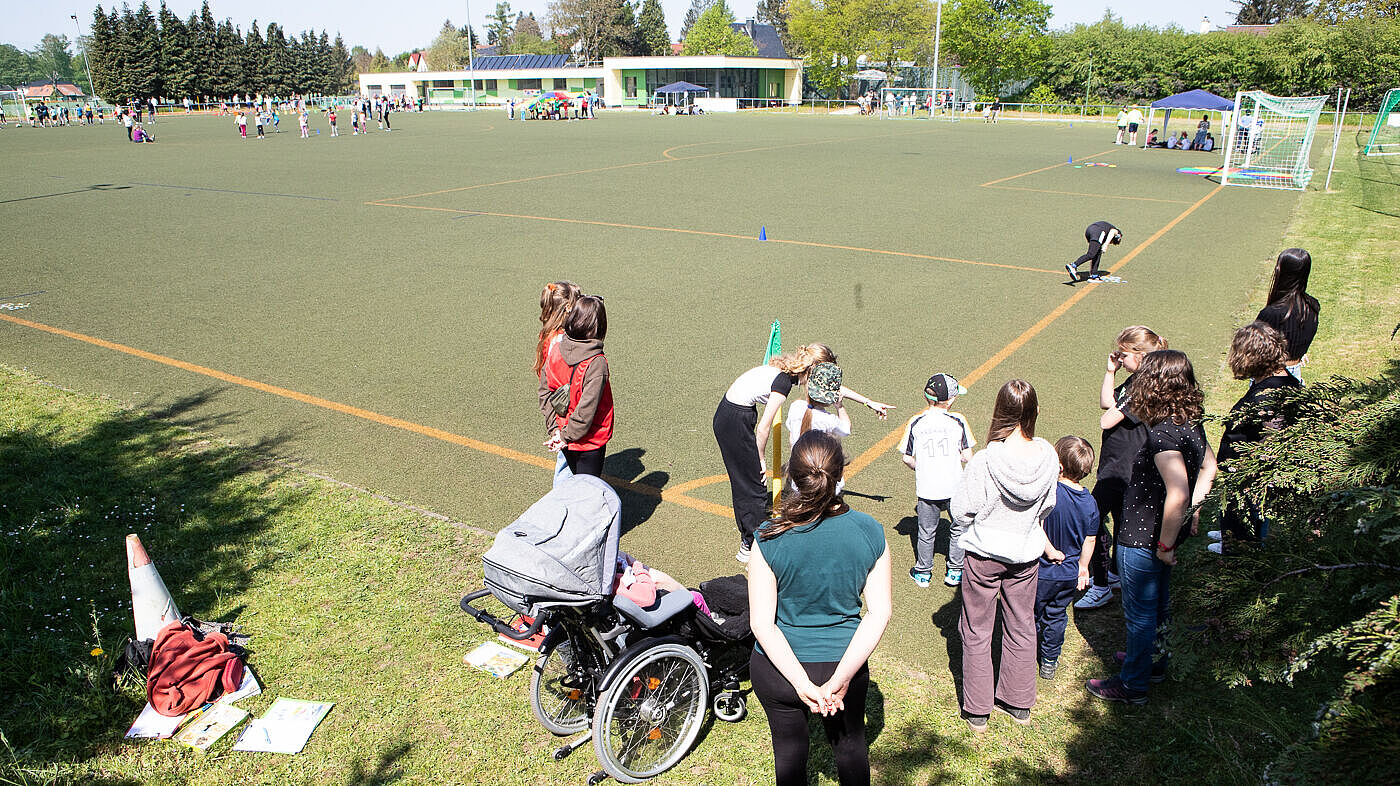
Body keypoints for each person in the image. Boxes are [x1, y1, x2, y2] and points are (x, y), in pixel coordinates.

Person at [748, 430, 892, 786]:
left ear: (793, 477)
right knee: (850, 748)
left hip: (778, 670)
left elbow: (762, 624)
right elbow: (879, 613)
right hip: (843, 663)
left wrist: (801, 683)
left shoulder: (768, 535)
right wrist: (840, 679)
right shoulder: (870, 531)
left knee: (789, 754)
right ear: (841, 473)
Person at [1087, 350, 1218, 705]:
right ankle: (1152, 662)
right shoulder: (1190, 423)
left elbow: (1177, 493)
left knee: (1139, 616)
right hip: (1162, 536)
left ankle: (1132, 685)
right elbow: (1209, 467)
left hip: (1143, 538)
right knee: (1159, 606)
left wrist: (1165, 545)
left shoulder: (1162, 436)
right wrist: (1194, 513)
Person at [951, 379, 1062, 731]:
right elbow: (1048, 506)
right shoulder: (1049, 456)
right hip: (1026, 554)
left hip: (984, 555)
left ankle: (977, 710)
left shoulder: (985, 460)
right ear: (1035, 412)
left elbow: (961, 510)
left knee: (976, 629)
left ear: (1000, 411)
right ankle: (1018, 703)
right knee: (1022, 624)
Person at [715, 345, 891, 564]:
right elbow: (763, 427)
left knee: (751, 485)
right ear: (813, 370)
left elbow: (832, 387)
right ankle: (751, 545)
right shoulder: (783, 383)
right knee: (753, 486)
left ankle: (752, 540)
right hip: (733, 420)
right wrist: (760, 458)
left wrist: (867, 401)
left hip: (737, 413)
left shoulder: (792, 377)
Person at [1077, 326, 1168, 611]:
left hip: (1123, 468)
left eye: (1124, 355)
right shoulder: (1136, 380)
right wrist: (1110, 372)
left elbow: (1106, 420)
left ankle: (1101, 584)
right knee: (1118, 518)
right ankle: (1114, 573)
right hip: (1119, 463)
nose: (1120, 358)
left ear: (1141, 355)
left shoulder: (1145, 387)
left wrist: (1121, 402)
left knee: (1093, 518)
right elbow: (1107, 402)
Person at [1209, 322, 1300, 553]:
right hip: (1247, 472)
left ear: (1251, 356)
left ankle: (1238, 549)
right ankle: (1232, 536)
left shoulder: (1266, 397)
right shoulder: (1284, 383)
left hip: (1251, 476)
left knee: (1249, 523)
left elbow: (1271, 440)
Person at [900, 373, 975, 588]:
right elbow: (967, 456)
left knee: (926, 531)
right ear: (950, 400)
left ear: (926, 397)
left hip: (927, 487)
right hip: (954, 486)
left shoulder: (916, 422)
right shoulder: (957, 420)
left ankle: (923, 572)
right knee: (958, 527)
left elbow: (907, 458)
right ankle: (955, 571)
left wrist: (921, 466)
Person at [1035, 436, 1099, 680]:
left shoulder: (1050, 492)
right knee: (1057, 615)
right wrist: (1083, 566)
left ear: (1059, 466)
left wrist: (1050, 550)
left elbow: (1037, 526)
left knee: (1030, 614)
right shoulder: (1090, 503)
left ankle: (1025, 652)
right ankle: (1049, 660)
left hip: (1043, 571)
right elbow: (1090, 540)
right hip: (1069, 574)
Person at [541, 295, 613, 477]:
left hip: (563, 430)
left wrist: (556, 430)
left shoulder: (556, 349)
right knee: (587, 487)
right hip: (590, 440)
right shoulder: (596, 362)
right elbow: (586, 409)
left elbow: (545, 393)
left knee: (573, 481)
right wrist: (565, 436)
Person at [1255, 248, 1319, 383]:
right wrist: (1299, 352)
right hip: (1295, 373)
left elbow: (1255, 349)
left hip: (1270, 377)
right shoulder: (1312, 306)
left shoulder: (1271, 313)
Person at [784, 363, 850, 449]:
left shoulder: (795, 406)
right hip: (818, 457)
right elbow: (846, 430)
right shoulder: (829, 420)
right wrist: (839, 407)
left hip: (796, 456)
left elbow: (791, 437)